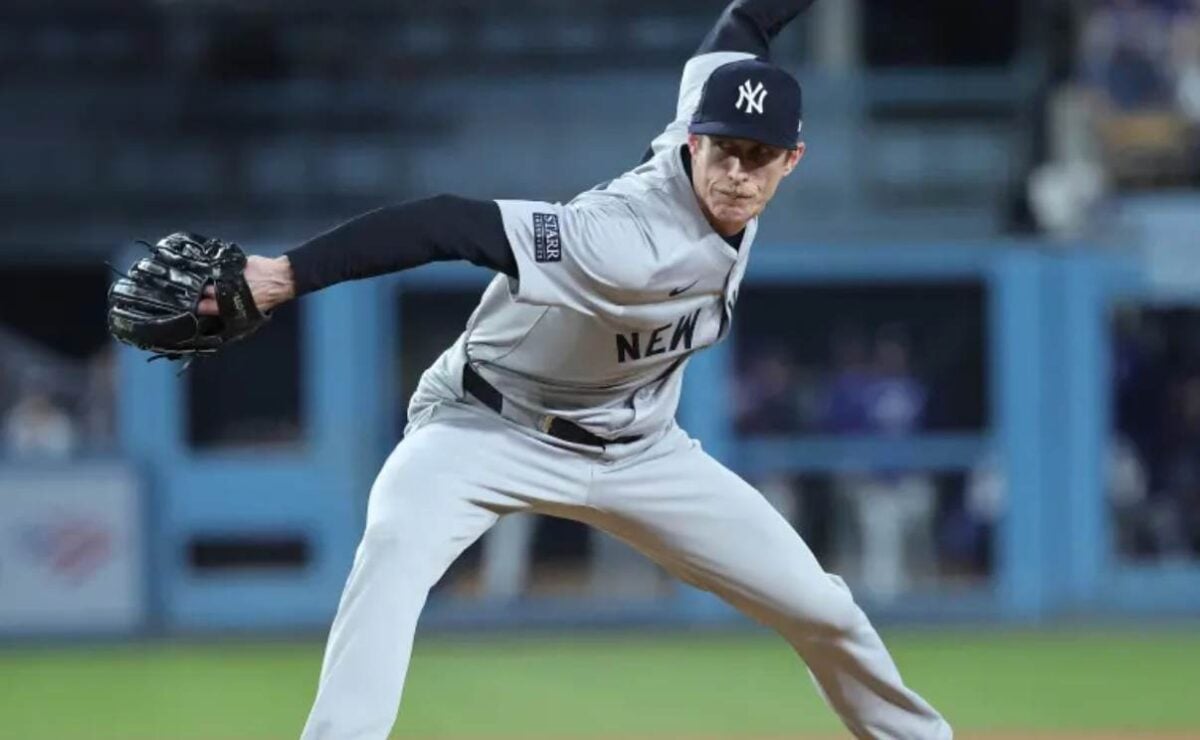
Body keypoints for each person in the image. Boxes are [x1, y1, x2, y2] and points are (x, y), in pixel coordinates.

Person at [200, 2, 950, 737]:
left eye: (759, 156)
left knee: (822, 608)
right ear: (693, 142)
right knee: (394, 549)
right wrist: (281, 276)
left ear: (793, 160)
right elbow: (446, 223)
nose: (737, 174)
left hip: (643, 452)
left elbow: (744, 24)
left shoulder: (722, 134)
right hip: (487, 427)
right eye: (724, 149)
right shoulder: (617, 236)